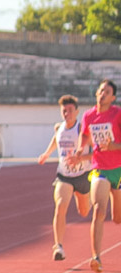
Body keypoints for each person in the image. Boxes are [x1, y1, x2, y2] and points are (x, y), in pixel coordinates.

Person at [70, 79, 121, 273]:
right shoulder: (89, 116)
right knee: (99, 210)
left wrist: (114, 146)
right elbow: (85, 135)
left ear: (113, 97)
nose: (102, 94)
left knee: (117, 218)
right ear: (96, 94)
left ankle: (116, 193)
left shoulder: (118, 114)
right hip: (99, 167)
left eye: (107, 92)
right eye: (101, 91)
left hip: (119, 168)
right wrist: (80, 148)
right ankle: (96, 257)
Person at [37, 95, 92, 261]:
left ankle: (80, 194)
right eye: (64, 111)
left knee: (84, 212)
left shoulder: (83, 130)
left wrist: (80, 158)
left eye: (70, 110)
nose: (67, 114)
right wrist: (47, 153)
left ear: (77, 111)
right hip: (64, 175)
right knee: (60, 206)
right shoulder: (59, 128)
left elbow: (94, 152)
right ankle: (58, 246)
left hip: (83, 175)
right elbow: (56, 140)